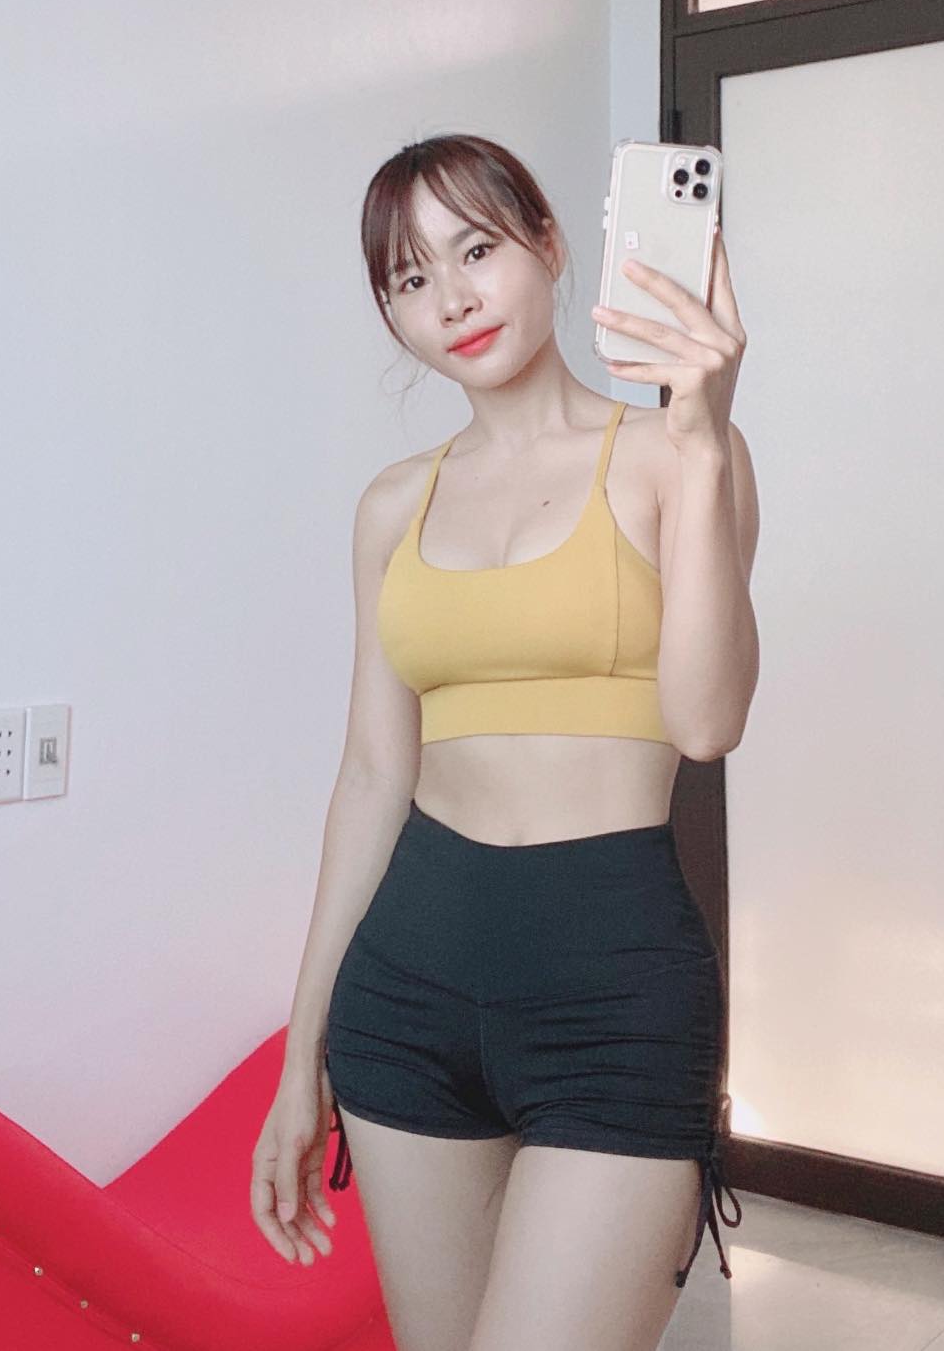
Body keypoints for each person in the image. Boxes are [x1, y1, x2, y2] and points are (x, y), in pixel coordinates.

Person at [250, 133, 760, 1351]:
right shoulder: (393, 504)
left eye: (476, 250)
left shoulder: (675, 458)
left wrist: (701, 437)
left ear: (550, 244)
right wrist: (299, 1054)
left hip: (615, 992)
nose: (453, 298)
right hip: (406, 988)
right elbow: (372, 776)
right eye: (410, 277)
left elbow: (707, 722)